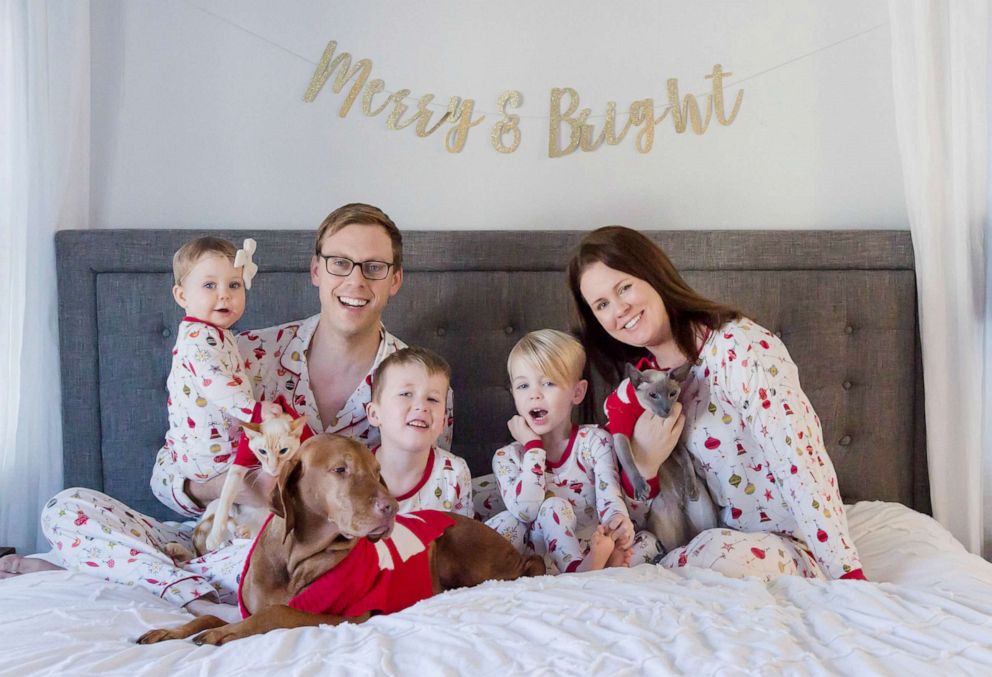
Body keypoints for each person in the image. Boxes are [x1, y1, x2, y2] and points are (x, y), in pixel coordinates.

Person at [0, 204, 456, 619]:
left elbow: (419, 496)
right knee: (66, 508)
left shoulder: (419, 391)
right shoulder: (245, 354)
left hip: (310, 555)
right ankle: (179, 584)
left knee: (273, 561)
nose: (355, 281)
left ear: (395, 279)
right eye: (340, 263)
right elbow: (166, 474)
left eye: (374, 268)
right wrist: (244, 489)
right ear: (316, 270)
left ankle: (127, 576)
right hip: (207, 533)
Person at [567, 226, 866, 580]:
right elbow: (636, 514)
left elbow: (799, 457)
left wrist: (847, 574)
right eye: (602, 304)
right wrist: (645, 464)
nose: (619, 309)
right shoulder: (640, 391)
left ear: (652, 275)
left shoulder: (739, 347)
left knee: (705, 556)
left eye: (624, 287)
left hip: (789, 543)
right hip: (704, 542)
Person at [485, 329, 643, 574]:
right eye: (523, 385)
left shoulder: (595, 442)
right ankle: (579, 572)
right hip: (531, 558)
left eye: (548, 383)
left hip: (589, 546)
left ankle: (594, 564)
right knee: (547, 508)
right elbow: (526, 510)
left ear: (577, 393)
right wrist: (532, 447)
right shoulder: (507, 457)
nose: (534, 394)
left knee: (648, 543)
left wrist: (617, 523)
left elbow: (609, 495)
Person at [366, 347, 472, 516]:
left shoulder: (455, 473)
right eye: (406, 394)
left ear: (444, 421)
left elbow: (462, 537)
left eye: (432, 399)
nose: (422, 406)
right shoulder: (355, 472)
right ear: (374, 414)